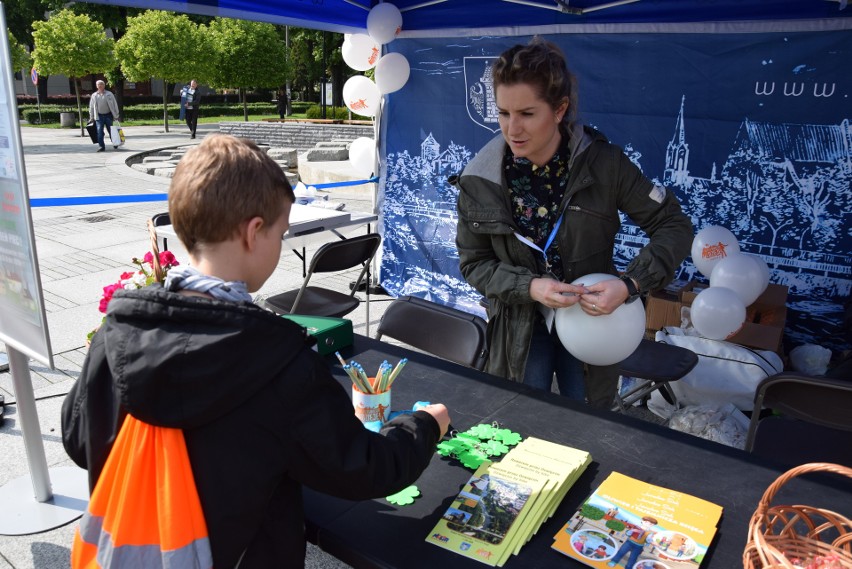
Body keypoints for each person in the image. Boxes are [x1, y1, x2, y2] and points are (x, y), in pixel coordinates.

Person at [61, 134, 451, 568]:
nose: (280, 245)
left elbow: (79, 439)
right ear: (253, 232)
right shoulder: (278, 363)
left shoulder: (118, 331)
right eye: (281, 234)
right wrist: (423, 426)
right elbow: (364, 467)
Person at [454, 38, 693, 408]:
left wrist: (630, 284)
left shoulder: (605, 164)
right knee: (521, 420)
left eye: (527, 114)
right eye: (503, 113)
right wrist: (530, 287)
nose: (512, 128)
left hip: (593, 322)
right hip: (520, 327)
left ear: (560, 109)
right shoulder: (479, 180)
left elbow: (674, 226)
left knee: (587, 425)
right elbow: (475, 264)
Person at [87, 79, 120, 152]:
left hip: (108, 115)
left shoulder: (109, 94)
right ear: (96, 86)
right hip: (99, 116)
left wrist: (116, 115)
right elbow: (91, 107)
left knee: (111, 131)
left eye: (101, 84)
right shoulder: (94, 95)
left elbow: (115, 104)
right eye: (98, 84)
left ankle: (115, 143)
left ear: (104, 85)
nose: (100, 86)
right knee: (99, 131)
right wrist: (91, 117)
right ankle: (101, 146)